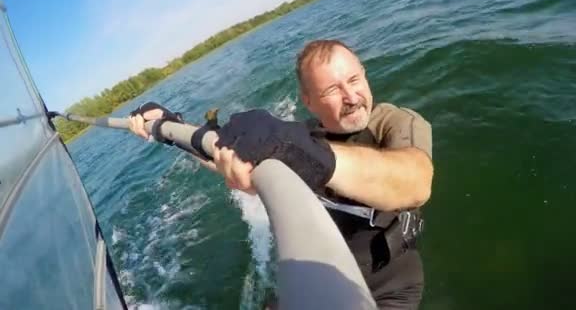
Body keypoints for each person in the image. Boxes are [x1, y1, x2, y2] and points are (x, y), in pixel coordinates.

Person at [128, 39, 434, 309]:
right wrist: (169, 127)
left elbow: (415, 182)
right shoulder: (303, 137)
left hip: (391, 286)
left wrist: (305, 153)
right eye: (332, 90)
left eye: (354, 80)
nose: (351, 96)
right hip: (311, 274)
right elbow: (222, 154)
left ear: (364, 75)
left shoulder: (394, 122)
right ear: (309, 102)